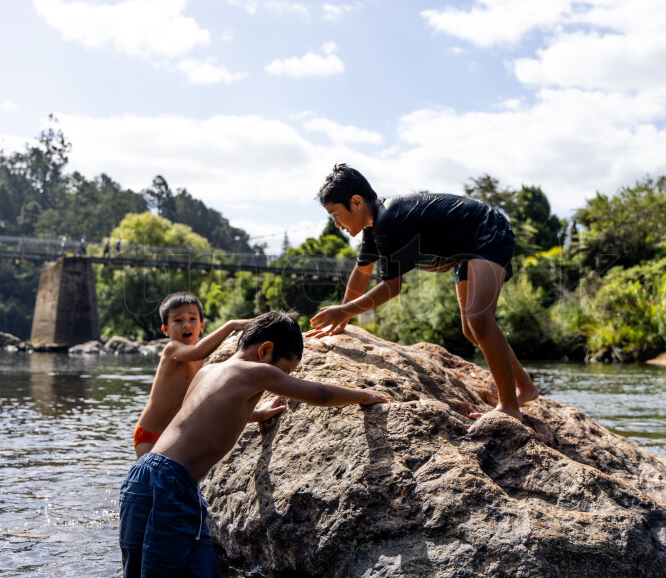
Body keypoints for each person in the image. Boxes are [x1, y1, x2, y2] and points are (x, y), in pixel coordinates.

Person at [119, 310, 388, 577]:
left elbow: (207, 412)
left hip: (146, 475)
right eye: (284, 371)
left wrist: (256, 414)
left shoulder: (209, 370)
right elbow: (321, 394)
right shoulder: (256, 372)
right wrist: (364, 395)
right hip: (171, 484)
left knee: (169, 566)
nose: (283, 379)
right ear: (265, 350)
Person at [308, 163, 538, 422]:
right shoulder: (374, 228)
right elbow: (362, 272)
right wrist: (343, 318)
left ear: (357, 202)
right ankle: (526, 387)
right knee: (472, 330)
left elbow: (391, 288)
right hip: (464, 252)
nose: (336, 223)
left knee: (480, 320)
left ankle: (509, 406)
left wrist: (343, 310)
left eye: (335, 214)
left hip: (488, 233)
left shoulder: (389, 221)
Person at [133, 292, 251, 459]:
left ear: (202, 326)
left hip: (174, 436)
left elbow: (212, 403)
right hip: (151, 435)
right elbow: (197, 351)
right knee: (154, 480)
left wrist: (256, 415)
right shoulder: (172, 350)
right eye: (178, 320)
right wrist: (230, 325)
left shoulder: (207, 360)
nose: (186, 325)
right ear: (165, 330)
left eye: (192, 319)